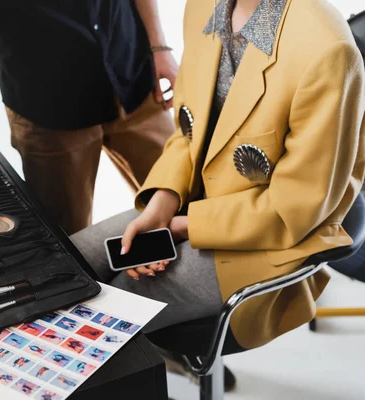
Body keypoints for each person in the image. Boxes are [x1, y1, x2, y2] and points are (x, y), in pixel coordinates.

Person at [71, 0, 365, 353]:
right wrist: (162, 206)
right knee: (68, 262)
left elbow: (294, 212)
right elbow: (188, 132)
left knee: (99, 316)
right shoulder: (202, 6)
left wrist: (182, 225)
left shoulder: (328, 49)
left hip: (273, 238)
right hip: (199, 203)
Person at [0, 0, 177, 255]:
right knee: (71, 246)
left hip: (132, 74)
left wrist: (159, 46)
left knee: (185, 203)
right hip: (50, 111)